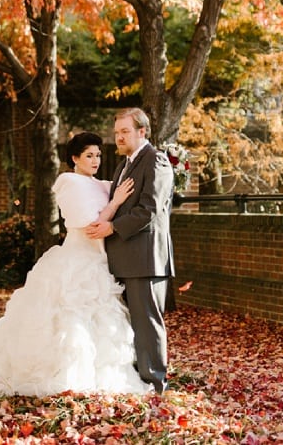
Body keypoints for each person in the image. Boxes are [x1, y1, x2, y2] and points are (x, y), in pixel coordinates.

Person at [0, 131, 151, 399]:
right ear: (74, 158)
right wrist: (115, 203)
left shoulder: (104, 184)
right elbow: (91, 225)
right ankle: (64, 377)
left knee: (101, 323)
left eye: (98, 155)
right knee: (67, 321)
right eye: (89, 155)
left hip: (101, 262)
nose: (95, 160)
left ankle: (97, 376)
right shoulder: (69, 182)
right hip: (76, 262)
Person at [86, 107, 175, 394]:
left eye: (125, 132)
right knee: (129, 324)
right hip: (122, 258)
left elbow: (149, 209)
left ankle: (155, 383)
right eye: (116, 133)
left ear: (142, 132)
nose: (119, 137)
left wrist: (111, 228)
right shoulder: (123, 165)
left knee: (147, 323)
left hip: (145, 259)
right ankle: (137, 380)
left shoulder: (156, 161)